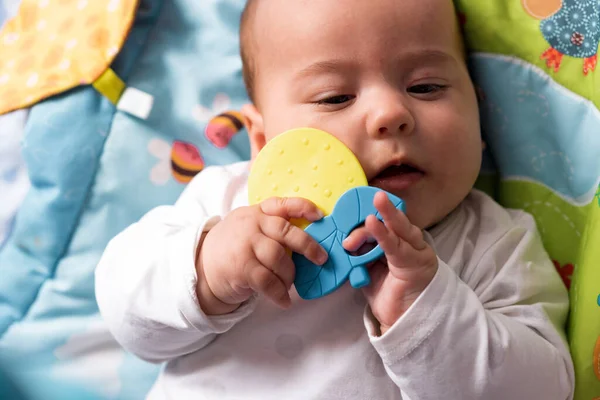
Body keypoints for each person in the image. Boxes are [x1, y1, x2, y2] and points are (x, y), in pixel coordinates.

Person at [95, 0, 575, 398]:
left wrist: (425, 312)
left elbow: (546, 387)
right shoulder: (228, 202)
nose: (390, 113)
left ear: (480, 112)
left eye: (426, 87)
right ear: (263, 140)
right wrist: (207, 269)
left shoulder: (494, 242)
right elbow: (129, 320)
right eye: (334, 97)